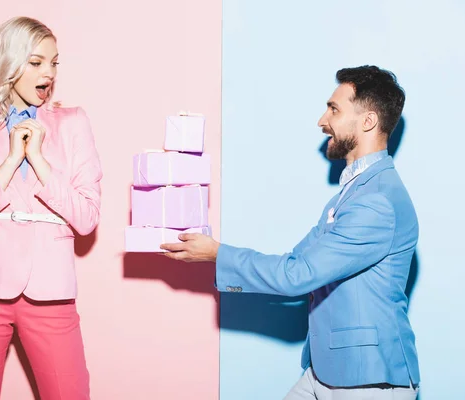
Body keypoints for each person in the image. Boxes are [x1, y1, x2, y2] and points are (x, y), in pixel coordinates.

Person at [161, 66, 420, 399]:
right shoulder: (353, 193)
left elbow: (297, 276)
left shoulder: (376, 202)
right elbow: (295, 262)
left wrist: (216, 253)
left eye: (334, 108)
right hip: (327, 370)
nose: (322, 120)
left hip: (367, 380)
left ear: (368, 121)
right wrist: (216, 255)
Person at [0, 16, 101, 400]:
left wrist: (40, 161)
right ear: (9, 63)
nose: (48, 73)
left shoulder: (74, 123)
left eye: (54, 63)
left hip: (52, 292)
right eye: (36, 62)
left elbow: (87, 218)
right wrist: (11, 160)